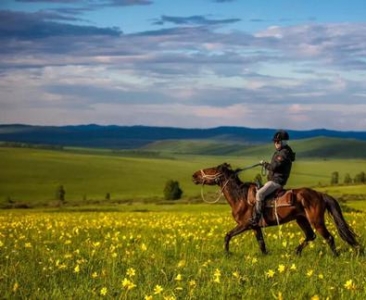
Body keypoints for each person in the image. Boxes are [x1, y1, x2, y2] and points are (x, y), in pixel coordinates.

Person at [251, 130, 296, 226]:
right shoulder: (280, 152)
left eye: (277, 141)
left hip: (277, 181)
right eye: (274, 141)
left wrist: (264, 164)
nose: (275, 143)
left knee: (259, 194)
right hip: (273, 180)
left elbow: (274, 167)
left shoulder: (283, 153)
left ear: (283, 142)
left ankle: (257, 219)